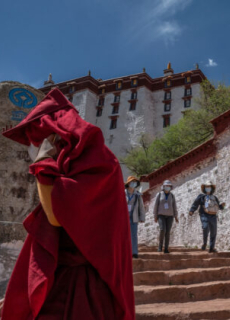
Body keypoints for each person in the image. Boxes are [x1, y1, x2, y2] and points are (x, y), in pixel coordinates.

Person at [0, 88, 135, 319]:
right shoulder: (75, 160)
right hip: (59, 275)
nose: (35, 144)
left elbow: (55, 216)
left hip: (82, 284)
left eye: (39, 137)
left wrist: (42, 163)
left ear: (55, 133)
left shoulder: (98, 163)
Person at [188, 181, 226, 253]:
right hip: (204, 215)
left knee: (213, 232)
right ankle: (205, 242)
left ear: (211, 188)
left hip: (213, 216)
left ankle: (212, 248)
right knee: (205, 227)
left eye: (209, 187)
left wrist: (222, 206)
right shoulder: (201, 197)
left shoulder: (214, 197)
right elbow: (195, 204)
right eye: (206, 187)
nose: (208, 188)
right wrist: (192, 210)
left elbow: (217, 207)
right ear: (204, 188)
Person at [153, 180, 179, 253]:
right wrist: (155, 216)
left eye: (169, 186)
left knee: (167, 232)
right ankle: (160, 246)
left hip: (170, 216)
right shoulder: (159, 194)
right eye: (166, 186)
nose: (167, 187)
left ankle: (166, 248)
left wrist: (176, 216)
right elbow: (156, 206)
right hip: (161, 215)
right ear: (163, 187)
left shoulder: (172, 196)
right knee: (162, 229)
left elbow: (174, 206)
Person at [125, 176, 145, 259]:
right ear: (128, 184)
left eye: (135, 182)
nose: (133, 184)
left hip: (134, 217)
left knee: (134, 235)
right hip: (124, 218)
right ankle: (126, 252)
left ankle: (134, 252)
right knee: (125, 235)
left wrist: (142, 217)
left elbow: (141, 207)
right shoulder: (122, 193)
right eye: (132, 182)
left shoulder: (137, 195)